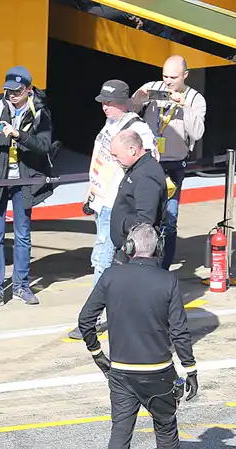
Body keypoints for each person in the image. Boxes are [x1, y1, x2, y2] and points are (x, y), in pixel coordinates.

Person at [77, 224, 198, 449]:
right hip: (158, 373)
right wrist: (190, 368)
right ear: (157, 248)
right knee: (166, 431)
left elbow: (85, 321)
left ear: (128, 248)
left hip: (120, 372)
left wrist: (98, 354)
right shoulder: (167, 281)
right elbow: (180, 332)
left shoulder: (111, 276)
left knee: (120, 436)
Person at [69, 80, 157, 340]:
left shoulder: (137, 129)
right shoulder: (111, 123)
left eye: (110, 103)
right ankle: (116, 312)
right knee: (107, 260)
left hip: (114, 204)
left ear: (123, 102)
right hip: (101, 200)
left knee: (103, 260)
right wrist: (91, 191)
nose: (105, 107)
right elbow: (101, 159)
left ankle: (92, 318)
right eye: (103, 103)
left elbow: (147, 164)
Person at [0, 66, 54, 310]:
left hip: (24, 179)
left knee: (22, 234)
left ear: (29, 89)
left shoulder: (40, 112)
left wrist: (19, 135)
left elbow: (44, 146)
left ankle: (21, 285)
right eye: (8, 91)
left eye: (17, 91)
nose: (11, 95)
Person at [131, 55, 207, 269]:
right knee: (144, 215)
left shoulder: (195, 98)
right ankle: (142, 262)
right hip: (147, 162)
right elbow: (129, 114)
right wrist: (137, 100)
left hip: (173, 165)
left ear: (185, 75)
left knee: (169, 218)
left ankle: (163, 266)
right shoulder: (151, 88)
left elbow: (198, 132)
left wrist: (185, 108)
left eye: (173, 77)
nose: (168, 81)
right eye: (164, 75)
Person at [108, 129, 166, 267]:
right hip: (129, 249)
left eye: (116, 155)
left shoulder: (147, 177)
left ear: (132, 150)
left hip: (135, 255)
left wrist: (125, 251)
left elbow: (144, 221)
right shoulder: (137, 168)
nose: (115, 160)